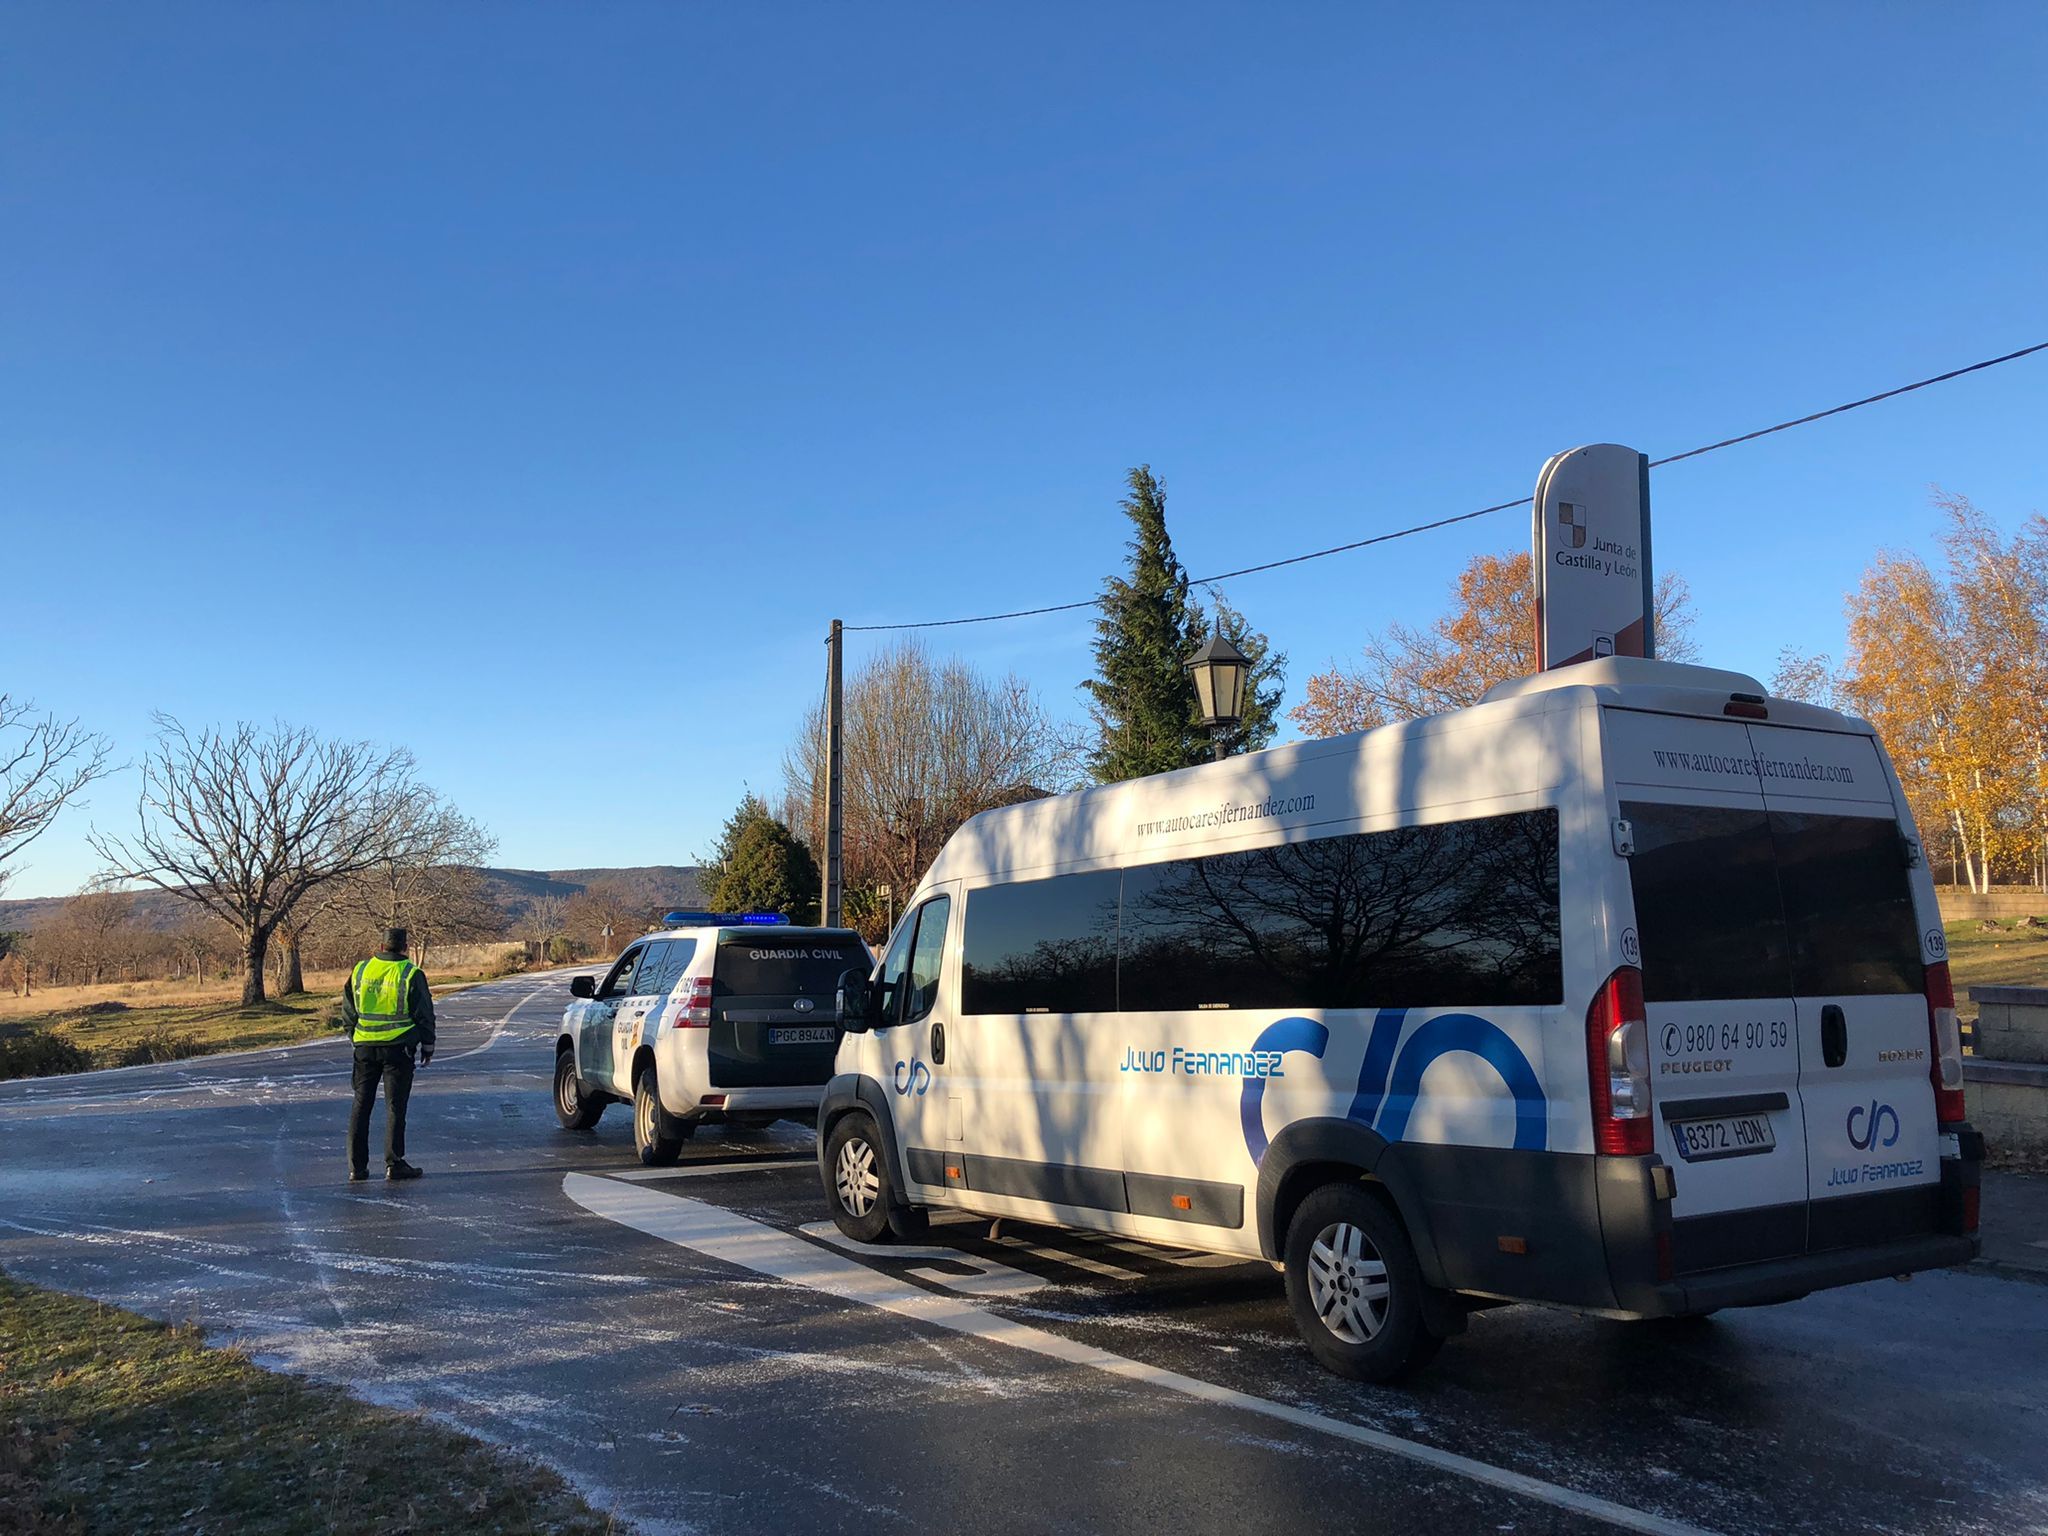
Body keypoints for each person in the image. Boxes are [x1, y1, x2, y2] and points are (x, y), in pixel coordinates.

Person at [343, 926, 436, 1183]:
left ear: (381, 947)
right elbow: (424, 1013)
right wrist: (428, 1045)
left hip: (364, 1048)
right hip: (398, 1049)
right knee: (395, 1106)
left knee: (361, 1105)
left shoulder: (361, 970)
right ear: (405, 948)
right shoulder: (410, 973)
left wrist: (355, 1035)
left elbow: (349, 1008)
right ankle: (394, 1163)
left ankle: (356, 1168)